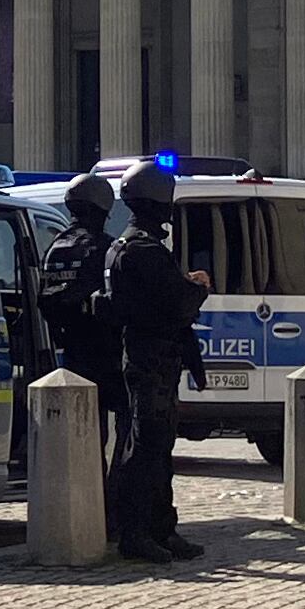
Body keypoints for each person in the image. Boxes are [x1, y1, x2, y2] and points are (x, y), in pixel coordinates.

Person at [102, 160, 211, 564]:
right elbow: (177, 305)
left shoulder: (125, 246)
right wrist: (197, 289)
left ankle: (162, 527)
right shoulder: (145, 250)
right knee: (146, 448)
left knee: (158, 447)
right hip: (152, 358)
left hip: (149, 355)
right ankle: (138, 532)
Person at [39, 173, 128, 528]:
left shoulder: (55, 248)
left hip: (71, 352)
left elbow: (45, 300)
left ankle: (83, 508)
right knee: (125, 429)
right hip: (106, 352)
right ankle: (112, 508)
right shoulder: (105, 248)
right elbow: (117, 302)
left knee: (82, 439)